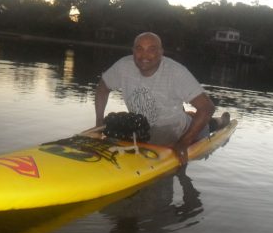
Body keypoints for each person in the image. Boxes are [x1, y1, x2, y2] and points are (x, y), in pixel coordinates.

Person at [95, 32, 228, 165]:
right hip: (143, 127)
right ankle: (187, 114)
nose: (144, 55)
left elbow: (207, 108)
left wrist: (183, 144)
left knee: (206, 126)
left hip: (176, 129)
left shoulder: (176, 72)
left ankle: (221, 121)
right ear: (133, 51)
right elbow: (102, 89)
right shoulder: (123, 66)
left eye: (151, 49)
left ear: (161, 52)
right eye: (139, 49)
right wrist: (99, 122)